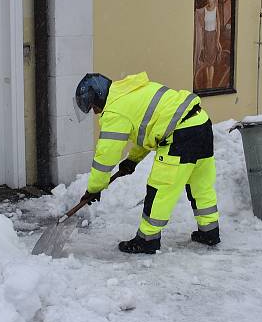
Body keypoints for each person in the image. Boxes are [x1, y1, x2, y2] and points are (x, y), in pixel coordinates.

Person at [74, 72, 220, 254]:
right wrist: (132, 160)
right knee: (201, 185)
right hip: (201, 124)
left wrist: (94, 188)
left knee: (159, 189)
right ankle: (209, 231)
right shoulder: (131, 91)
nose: (95, 112)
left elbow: (105, 158)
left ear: (99, 96)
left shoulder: (114, 111)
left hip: (180, 135)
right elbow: (150, 129)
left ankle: (147, 240)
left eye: (93, 106)